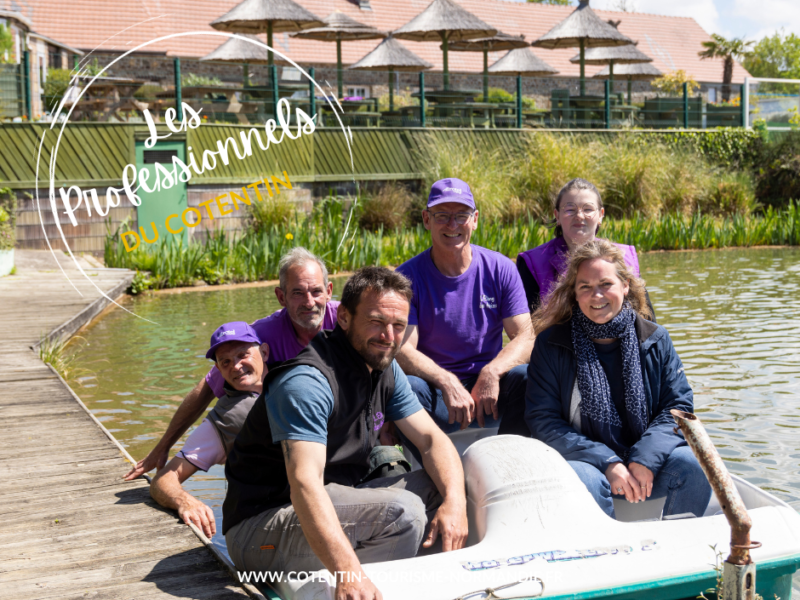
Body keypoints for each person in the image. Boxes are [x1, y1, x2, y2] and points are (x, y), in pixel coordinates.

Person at [223, 267, 467, 600]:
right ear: (344, 318)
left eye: (398, 326)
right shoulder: (306, 383)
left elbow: (430, 440)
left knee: (444, 487)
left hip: (334, 498)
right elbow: (305, 485)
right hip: (259, 528)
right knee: (404, 513)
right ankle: (354, 590)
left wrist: (455, 502)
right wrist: (348, 573)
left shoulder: (384, 366)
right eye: (376, 322)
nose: (388, 336)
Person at [525, 239, 711, 519]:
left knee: (693, 466)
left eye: (606, 284)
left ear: (625, 285)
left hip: (644, 459)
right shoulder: (551, 344)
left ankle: (674, 549)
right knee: (583, 479)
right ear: (574, 294)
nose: (596, 295)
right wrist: (609, 462)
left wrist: (644, 459)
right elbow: (544, 421)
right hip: (587, 461)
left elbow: (678, 408)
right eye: (585, 287)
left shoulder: (656, 339)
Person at [123, 247, 339, 481]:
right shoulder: (258, 336)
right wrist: (163, 446)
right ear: (281, 297)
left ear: (328, 291)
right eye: (297, 293)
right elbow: (207, 387)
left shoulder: (348, 321)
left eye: (316, 291)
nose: (309, 302)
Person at [395, 178, 534, 438]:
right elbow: (402, 350)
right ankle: (434, 467)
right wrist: (446, 381)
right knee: (407, 387)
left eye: (461, 215)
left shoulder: (501, 269)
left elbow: (526, 336)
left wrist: (492, 371)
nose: (452, 224)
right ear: (427, 219)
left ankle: (508, 457)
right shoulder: (406, 278)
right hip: (436, 392)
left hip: (489, 394)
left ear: (475, 219)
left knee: (528, 377)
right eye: (442, 216)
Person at [149, 322, 268, 538]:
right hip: (262, 521)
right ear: (219, 370)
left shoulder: (293, 380)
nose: (236, 366)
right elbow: (163, 479)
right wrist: (185, 501)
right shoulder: (223, 421)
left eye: (243, 355)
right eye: (225, 362)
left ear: (265, 352)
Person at [516, 178, 652, 315]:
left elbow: (646, 319)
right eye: (570, 209)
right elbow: (529, 326)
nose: (579, 216)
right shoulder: (532, 263)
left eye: (588, 209)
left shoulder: (626, 256)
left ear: (600, 215)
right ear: (557, 215)